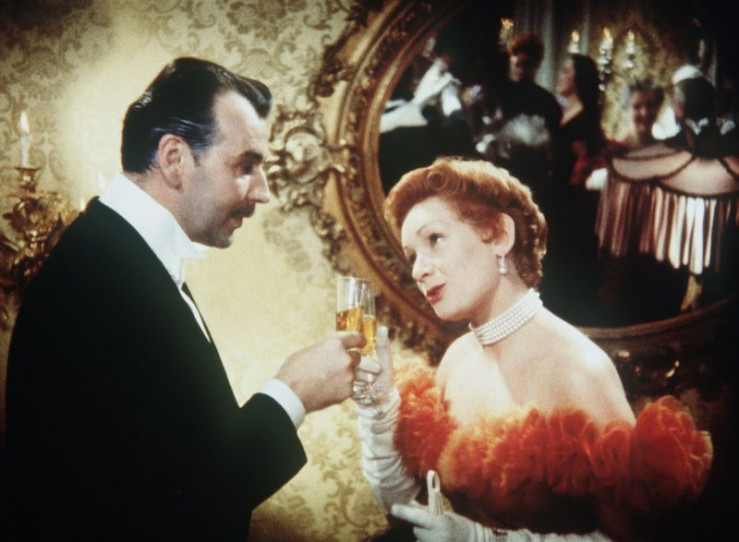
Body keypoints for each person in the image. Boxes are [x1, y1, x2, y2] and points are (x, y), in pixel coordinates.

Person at [5, 57, 364, 541]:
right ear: (174, 158)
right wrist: (293, 392)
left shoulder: (119, 251)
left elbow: (178, 460)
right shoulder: (98, 278)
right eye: (245, 166)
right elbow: (187, 500)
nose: (263, 192)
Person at [356, 158, 712, 541]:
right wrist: (378, 407)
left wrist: (481, 540)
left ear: (500, 235)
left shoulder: (577, 369)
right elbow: (407, 509)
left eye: (435, 240)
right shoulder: (456, 359)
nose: (418, 270)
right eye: (412, 256)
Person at [483, 33, 562, 199]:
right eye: (517, 65)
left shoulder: (546, 100)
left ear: (536, 66)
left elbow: (552, 142)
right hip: (501, 166)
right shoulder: (498, 93)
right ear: (511, 62)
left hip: (531, 170)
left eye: (527, 65)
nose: (521, 71)